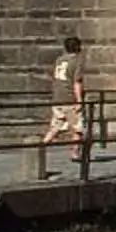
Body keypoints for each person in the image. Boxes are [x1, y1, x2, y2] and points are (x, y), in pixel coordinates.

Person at [40, 33, 86, 167]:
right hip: (69, 98)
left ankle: (40, 146)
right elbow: (77, 82)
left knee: (56, 125)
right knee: (78, 128)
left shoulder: (59, 60)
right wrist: (79, 101)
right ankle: (75, 152)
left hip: (57, 98)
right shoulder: (77, 61)